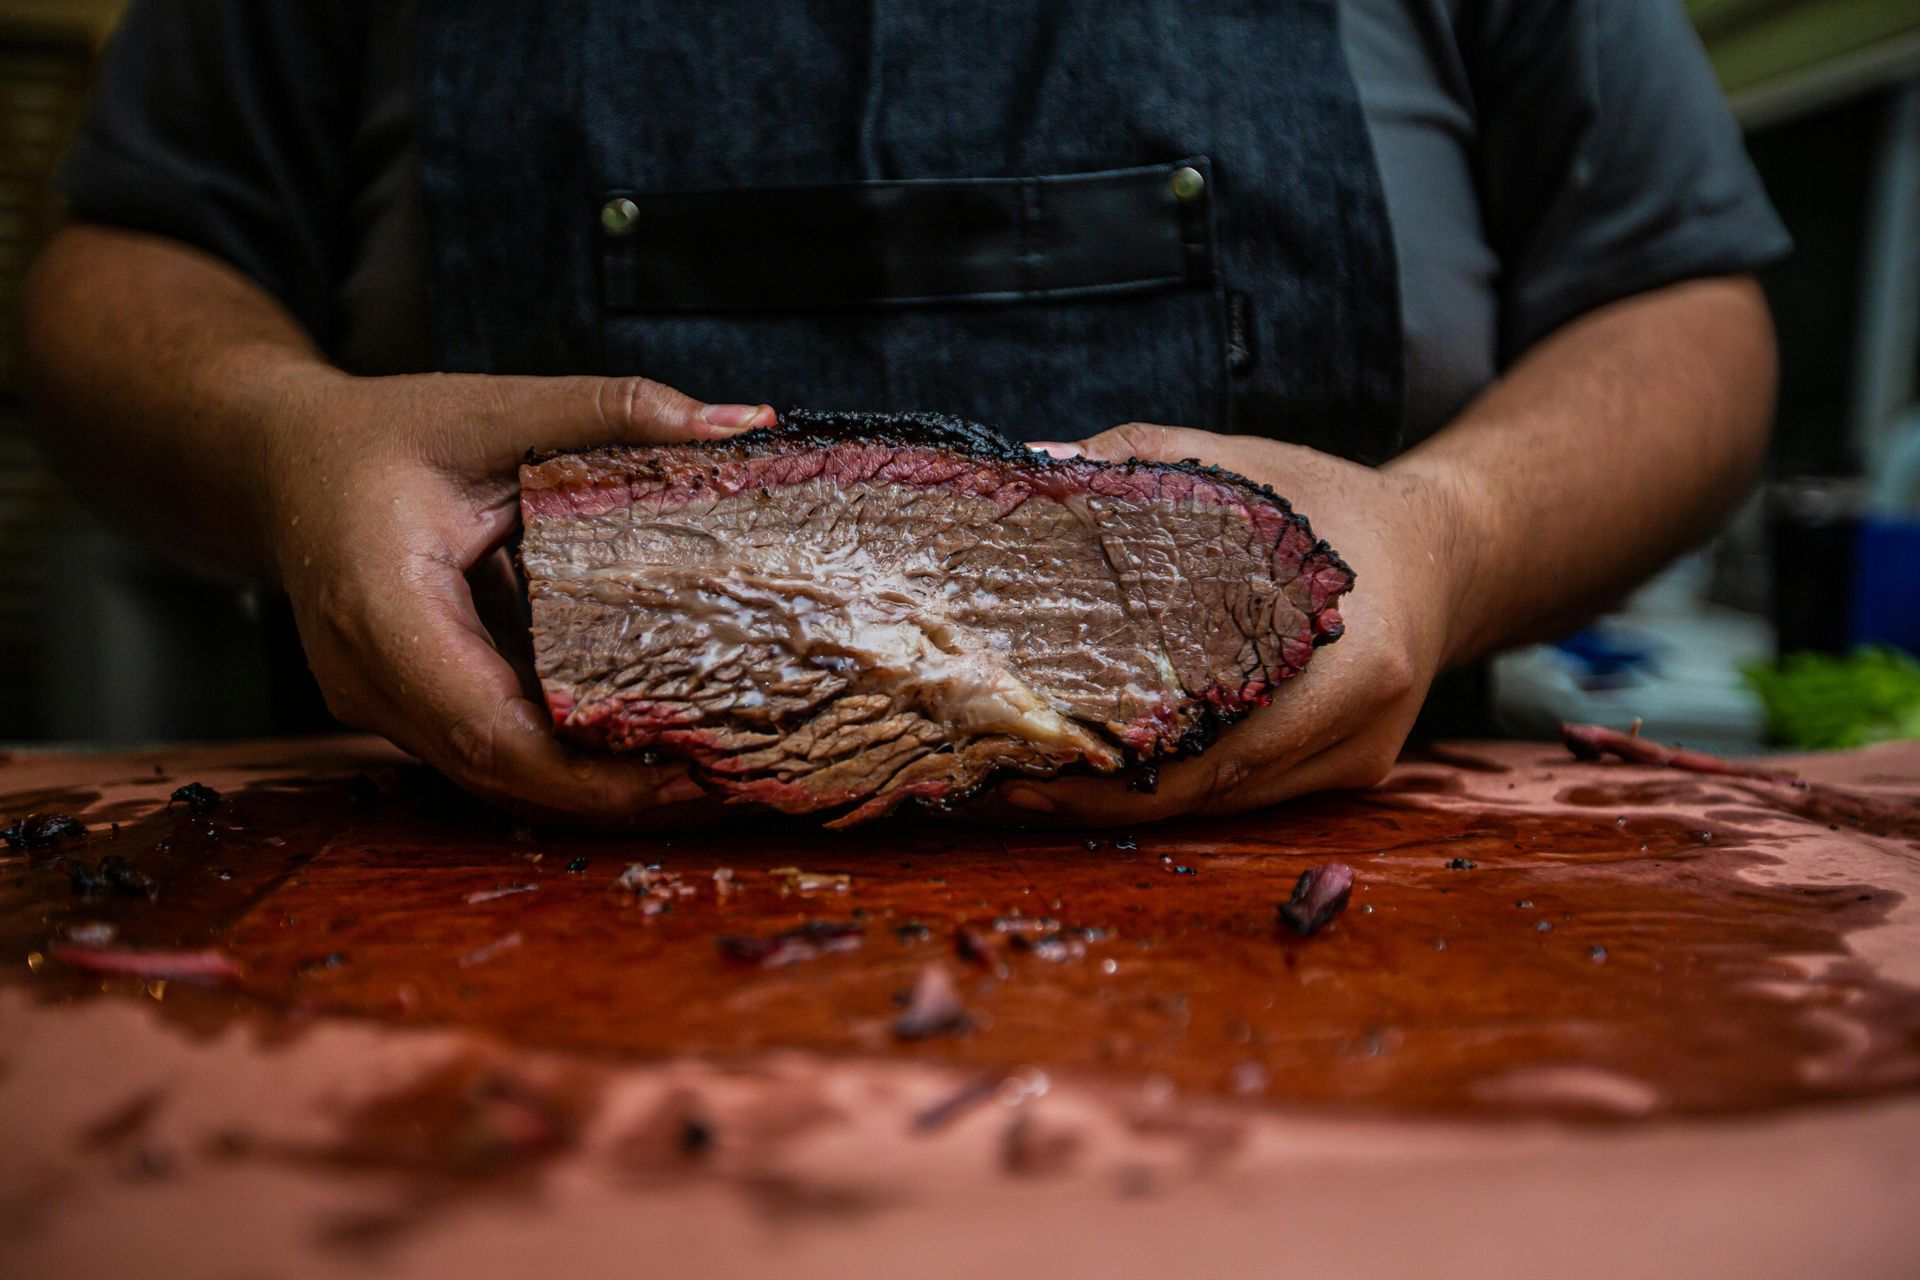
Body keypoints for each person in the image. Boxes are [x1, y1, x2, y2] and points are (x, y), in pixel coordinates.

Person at [23, 1, 1788, 826]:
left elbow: (1686, 312)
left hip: (1336, 965)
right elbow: (125, 275)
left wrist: (1455, 540)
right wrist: (275, 446)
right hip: (457, 955)